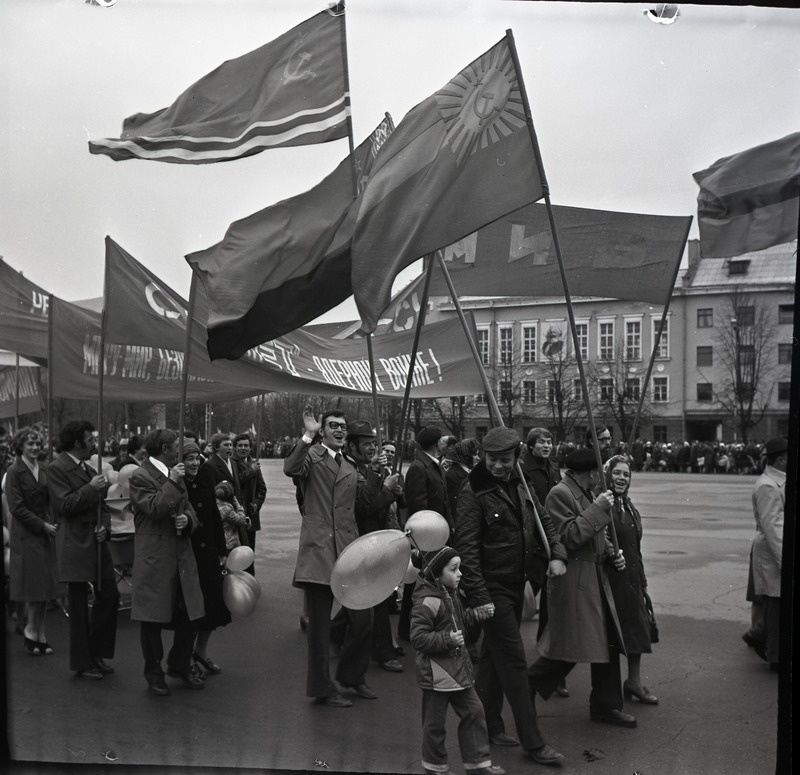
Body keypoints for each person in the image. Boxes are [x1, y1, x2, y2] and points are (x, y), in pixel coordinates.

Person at [455, 426, 566, 767]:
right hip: (492, 589)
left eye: (505, 459)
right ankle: (534, 742)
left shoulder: (521, 482)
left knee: (493, 658)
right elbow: (467, 549)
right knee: (515, 662)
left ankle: (487, 724)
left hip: (518, 582)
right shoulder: (473, 490)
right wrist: (479, 596)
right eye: (492, 459)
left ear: (517, 456)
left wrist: (558, 553)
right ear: (483, 456)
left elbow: (543, 520)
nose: (497, 466)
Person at [527, 447, 636, 728]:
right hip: (575, 579)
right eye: (599, 473)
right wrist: (597, 508)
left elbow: (598, 534)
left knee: (606, 640)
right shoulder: (560, 493)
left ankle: (606, 704)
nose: (602, 478)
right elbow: (568, 536)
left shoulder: (585, 492)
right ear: (591, 472)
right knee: (571, 646)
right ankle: (527, 687)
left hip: (594, 577)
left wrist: (611, 553)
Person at [283, 406, 374, 707]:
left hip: (347, 549)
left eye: (343, 426)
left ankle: (351, 676)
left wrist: (377, 472)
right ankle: (322, 687)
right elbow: (291, 468)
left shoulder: (349, 463)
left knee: (364, 616)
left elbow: (366, 500)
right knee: (320, 630)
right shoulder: (311, 455)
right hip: (320, 550)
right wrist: (306, 436)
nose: (339, 430)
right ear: (322, 431)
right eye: (332, 425)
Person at [410, 546, 503, 775]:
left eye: (459, 568)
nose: (459, 573)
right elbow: (418, 638)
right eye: (453, 569)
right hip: (437, 674)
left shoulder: (450, 594)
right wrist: (447, 639)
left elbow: (458, 621)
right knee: (434, 725)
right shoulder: (427, 601)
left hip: (458, 670)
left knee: (475, 712)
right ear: (437, 574)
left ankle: (478, 765)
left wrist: (476, 614)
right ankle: (435, 767)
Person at [128, 428, 205, 696]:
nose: (179, 450)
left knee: (191, 614)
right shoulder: (141, 475)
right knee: (151, 620)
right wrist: (172, 482)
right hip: (156, 557)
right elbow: (155, 508)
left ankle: (179, 664)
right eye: (176, 446)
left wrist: (188, 520)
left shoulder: (175, 473)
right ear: (164, 448)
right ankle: (154, 673)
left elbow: (189, 508)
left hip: (181, 556)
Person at [47, 420, 119, 680]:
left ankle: (96, 651)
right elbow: (64, 506)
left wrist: (104, 526)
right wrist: (91, 488)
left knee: (109, 595)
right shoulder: (57, 468)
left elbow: (104, 507)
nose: (94, 445)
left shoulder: (88, 469)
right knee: (78, 605)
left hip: (96, 540)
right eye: (91, 440)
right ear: (77, 443)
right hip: (74, 542)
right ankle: (82, 661)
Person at [335, 420, 404, 673]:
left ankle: (334, 632)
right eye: (367, 444)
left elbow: (380, 501)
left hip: (376, 539)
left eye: (374, 443)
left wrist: (393, 492)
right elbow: (364, 507)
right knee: (377, 597)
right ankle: (383, 652)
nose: (373, 448)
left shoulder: (367, 468)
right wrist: (385, 488)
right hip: (360, 540)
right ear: (352, 447)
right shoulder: (349, 470)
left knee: (366, 597)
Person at [603, 455, 659, 705]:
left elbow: (636, 547)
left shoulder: (628, 505)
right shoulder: (603, 504)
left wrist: (643, 582)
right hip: (612, 579)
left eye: (626, 474)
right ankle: (608, 692)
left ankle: (633, 682)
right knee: (613, 635)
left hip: (632, 579)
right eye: (617, 473)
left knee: (638, 629)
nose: (622, 478)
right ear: (607, 475)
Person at [519, 427, 568, 697]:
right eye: (541, 442)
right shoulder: (523, 469)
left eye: (549, 441)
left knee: (550, 606)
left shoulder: (553, 468)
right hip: (533, 545)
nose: (547, 445)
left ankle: (549, 663)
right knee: (522, 599)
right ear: (530, 446)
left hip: (552, 542)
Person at [5, 427, 60, 656]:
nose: (35, 447)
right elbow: (16, 507)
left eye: (38, 443)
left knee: (45, 586)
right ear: (20, 446)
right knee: (34, 586)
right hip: (27, 532)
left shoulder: (44, 468)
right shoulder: (14, 471)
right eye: (30, 444)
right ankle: (31, 630)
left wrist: (52, 522)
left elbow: (51, 500)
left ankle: (40, 632)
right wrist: (42, 525)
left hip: (45, 529)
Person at [183, 440, 231, 677]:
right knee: (192, 610)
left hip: (210, 551)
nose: (194, 463)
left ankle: (200, 651)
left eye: (196, 458)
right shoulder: (178, 483)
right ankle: (186, 657)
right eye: (188, 459)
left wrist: (222, 549)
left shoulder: (205, 478)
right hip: (189, 552)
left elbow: (214, 516)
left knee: (212, 606)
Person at [398, 426, 450, 642]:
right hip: (427, 537)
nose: (444, 444)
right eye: (442, 441)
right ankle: (406, 628)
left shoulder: (432, 464)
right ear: (436, 444)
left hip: (436, 534)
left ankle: (416, 625)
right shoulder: (419, 467)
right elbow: (418, 507)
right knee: (416, 584)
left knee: (424, 582)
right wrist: (425, 539)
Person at [747, 436, 787, 671]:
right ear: (780, 459)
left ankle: (761, 638)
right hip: (772, 552)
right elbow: (774, 528)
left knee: (776, 604)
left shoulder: (778, 481)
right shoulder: (768, 485)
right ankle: (774, 656)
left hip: (773, 551)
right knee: (775, 605)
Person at [233, 432, 267, 575]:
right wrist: (251, 471)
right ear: (235, 447)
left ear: (250, 448)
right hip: (237, 513)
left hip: (251, 513)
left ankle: (249, 579)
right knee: (237, 550)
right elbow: (235, 483)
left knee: (249, 550)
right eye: (240, 445)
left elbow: (262, 488)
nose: (243, 448)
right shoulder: (231, 463)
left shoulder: (253, 463)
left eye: (246, 445)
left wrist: (257, 504)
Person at [444, 438, 481, 524]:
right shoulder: (452, 475)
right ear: (466, 456)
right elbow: (453, 506)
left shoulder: (471, 472)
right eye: (475, 455)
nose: (478, 458)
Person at [215, 480, 249, 552]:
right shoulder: (228, 509)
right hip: (229, 544)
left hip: (217, 542)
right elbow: (241, 520)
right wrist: (238, 506)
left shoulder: (214, 504)